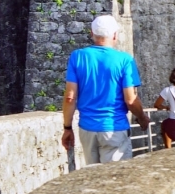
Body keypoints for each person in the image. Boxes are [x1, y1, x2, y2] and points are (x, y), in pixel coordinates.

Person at [61, 14, 150, 164]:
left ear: (92, 34)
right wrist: (141, 118)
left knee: (93, 179)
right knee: (116, 181)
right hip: (114, 128)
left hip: (87, 129)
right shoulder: (125, 60)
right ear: (115, 35)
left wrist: (67, 128)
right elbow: (130, 99)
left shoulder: (77, 57)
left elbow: (70, 97)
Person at [154, 66, 175, 148]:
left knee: (164, 125)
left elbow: (156, 104)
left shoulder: (167, 90)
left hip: (173, 122)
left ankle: (168, 148)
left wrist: (166, 107)